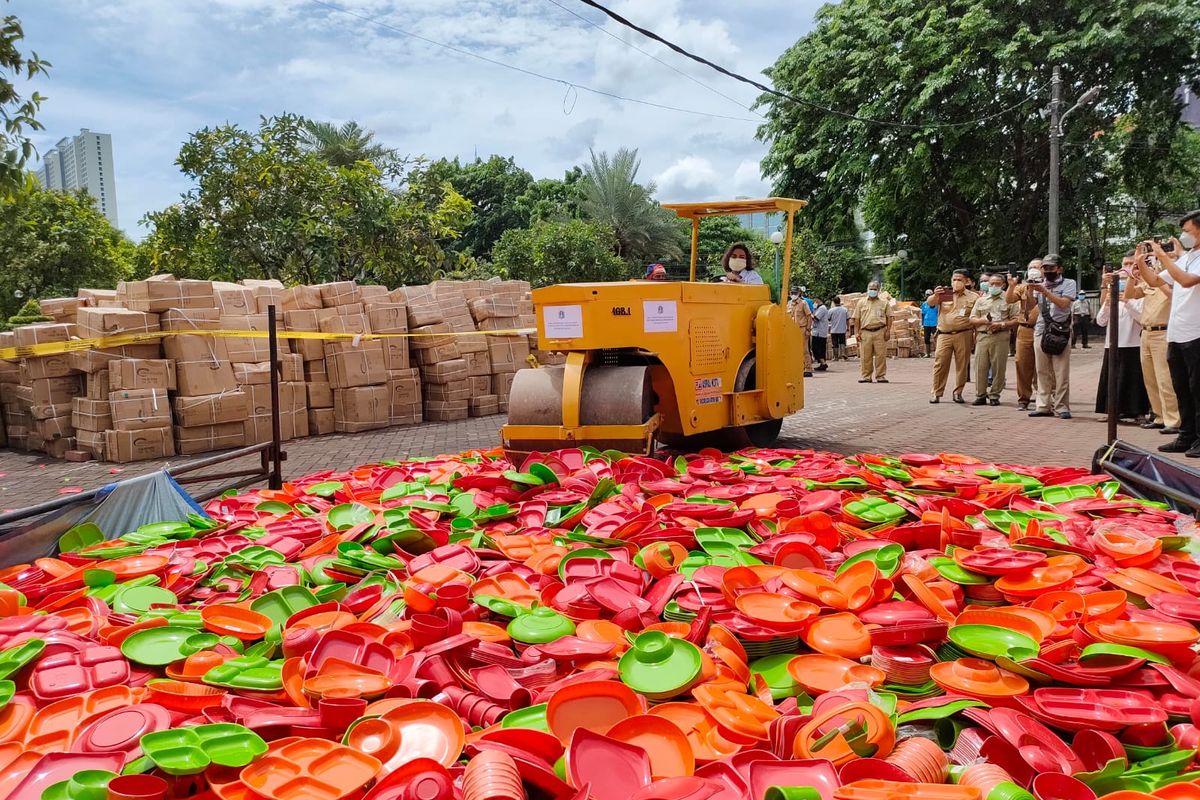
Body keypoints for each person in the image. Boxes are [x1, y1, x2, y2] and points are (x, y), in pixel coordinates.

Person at [1135, 216, 1200, 457]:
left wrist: (1162, 256)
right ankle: (1187, 435)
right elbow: (1153, 280)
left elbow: (1186, 281)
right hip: (1177, 333)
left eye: (1187, 230)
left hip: (1196, 333)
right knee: (1181, 387)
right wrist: (1141, 262)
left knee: (1197, 388)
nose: (1183, 234)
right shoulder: (1186, 258)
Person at [1124, 251, 1180, 434]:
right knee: (1150, 378)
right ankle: (1159, 416)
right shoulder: (1147, 282)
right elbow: (1129, 295)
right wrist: (1133, 274)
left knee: (1165, 379)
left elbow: (1172, 296)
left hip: (1162, 332)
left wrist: (1156, 277)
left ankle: (1173, 419)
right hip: (1146, 332)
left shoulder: (1171, 280)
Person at [1095, 265, 1150, 421]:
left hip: (1133, 344)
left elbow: (1141, 317)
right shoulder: (1111, 299)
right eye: (1119, 281)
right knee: (1112, 379)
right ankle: (1112, 411)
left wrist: (1127, 301)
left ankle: (1138, 412)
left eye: (1125, 281)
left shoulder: (1139, 296)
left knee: (1134, 381)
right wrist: (1106, 304)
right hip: (1112, 345)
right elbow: (1100, 321)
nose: (1122, 284)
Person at [1027, 253, 1078, 419]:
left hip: (1060, 331)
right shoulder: (1039, 285)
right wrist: (1029, 289)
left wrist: (1045, 291)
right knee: (1042, 371)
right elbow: (1030, 306)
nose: (1048, 271)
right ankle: (1043, 405)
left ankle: (1062, 406)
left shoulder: (1069, 283)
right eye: (1045, 268)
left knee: (1061, 372)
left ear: (1059, 268)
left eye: (1051, 268)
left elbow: (1064, 304)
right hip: (1041, 330)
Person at [928, 270, 979, 403]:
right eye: (954, 279)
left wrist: (976, 335)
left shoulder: (974, 297)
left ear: (966, 281)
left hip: (964, 333)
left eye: (959, 280)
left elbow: (976, 316)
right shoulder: (943, 294)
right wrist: (935, 295)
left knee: (962, 364)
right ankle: (936, 392)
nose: (956, 282)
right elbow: (931, 303)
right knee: (940, 363)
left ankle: (958, 392)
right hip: (944, 334)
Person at [970, 274, 1019, 405]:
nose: (993, 286)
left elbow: (1016, 319)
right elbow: (972, 318)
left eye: (997, 284)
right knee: (980, 366)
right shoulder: (981, 300)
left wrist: (1002, 324)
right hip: (983, 335)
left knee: (999, 367)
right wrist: (982, 320)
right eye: (990, 283)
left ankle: (994, 395)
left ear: (1003, 285)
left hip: (1000, 336)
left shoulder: (1010, 299)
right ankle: (980, 394)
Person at [1006, 260, 1042, 411]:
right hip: (1025, 330)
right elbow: (1009, 300)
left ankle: (1045, 397)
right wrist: (1011, 284)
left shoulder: (1047, 287)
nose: (1033, 270)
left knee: (1043, 366)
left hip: (1042, 329)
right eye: (1031, 268)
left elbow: (1034, 305)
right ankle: (1023, 399)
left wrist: (1034, 288)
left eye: (1037, 267)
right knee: (1022, 363)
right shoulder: (1021, 287)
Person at [852, 280, 891, 383]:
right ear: (867, 289)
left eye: (874, 289)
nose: (872, 291)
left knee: (880, 355)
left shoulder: (884, 302)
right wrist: (856, 332)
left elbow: (889, 317)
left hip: (880, 331)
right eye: (870, 289)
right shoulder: (861, 302)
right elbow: (856, 318)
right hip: (865, 332)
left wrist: (888, 331)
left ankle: (880, 376)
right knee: (865, 356)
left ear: (878, 290)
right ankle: (866, 376)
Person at [789, 289, 814, 378]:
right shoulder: (789, 304)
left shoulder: (803, 303)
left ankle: (808, 368)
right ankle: (798, 367)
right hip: (792, 330)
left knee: (804, 349)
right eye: (792, 293)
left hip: (802, 328)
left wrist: (808, 329)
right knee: (794, 350)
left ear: (799, 294)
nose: (793, 295)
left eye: (795, 293)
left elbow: (809, 316)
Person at [811, 297, 830, 371]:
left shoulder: (822, 308)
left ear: (818, 301)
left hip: (819, 332)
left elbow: (816, 318)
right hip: (818, 332)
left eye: (815, 301)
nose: (814, 303)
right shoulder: (818, 308)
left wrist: (809, 315)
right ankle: (822, 363)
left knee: (817, 348)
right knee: (819, 349)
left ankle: (823, 363)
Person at [921, 289, 939, 357]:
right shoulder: (924, 304)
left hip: (934, 323)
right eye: (927, 295)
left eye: (930, 295)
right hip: (926, 323)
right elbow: (923, 314)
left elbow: (939, 313)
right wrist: (922, 323)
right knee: (926, 338)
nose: (928, 296)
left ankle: (938, 352)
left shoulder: (937, 304)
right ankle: (928, 353)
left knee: (936, 338)